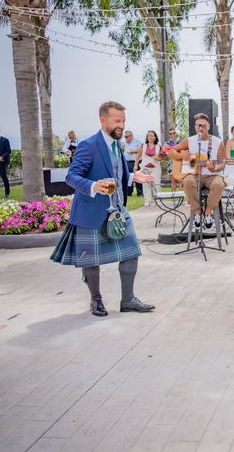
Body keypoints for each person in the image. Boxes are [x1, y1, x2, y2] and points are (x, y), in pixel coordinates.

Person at [50, 101, 155, 317]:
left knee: (131, 252)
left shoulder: (117, 144)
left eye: (123, 121)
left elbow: (117, 171)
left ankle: (128, 300)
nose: (121, 125)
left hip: (116, 210)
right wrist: (92, 186)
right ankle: (95, 300)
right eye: (117, 121)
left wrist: (134, 176)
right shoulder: (88, 145)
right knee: (91, 261)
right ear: (103, 120)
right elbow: (72, 176)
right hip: (92, 212)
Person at [168, 113, 227, 230]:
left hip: (212, 175)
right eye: (198, 126)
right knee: (187, 182)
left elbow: (223, 162)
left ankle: (208, 213)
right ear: (195, 127)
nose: (201, 128)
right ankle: (197, 212)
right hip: (194, 175)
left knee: (219, 184)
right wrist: (181, 155)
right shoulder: (189, 141)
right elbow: (171, 152)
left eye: (203, 126)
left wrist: (214, 168)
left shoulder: (217, 142)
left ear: (208, 126)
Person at [134, 130, 162, 207]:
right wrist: (135, 165)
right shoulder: (143, 145)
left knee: (156, 183)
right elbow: (138, 156)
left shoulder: (158, 146)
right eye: (148, 135)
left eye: (151, 135)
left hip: (155, 168)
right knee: (146, 184)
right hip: (145, 168)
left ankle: (158, 200)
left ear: (155, 137)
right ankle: (147, 201)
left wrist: (159, 158)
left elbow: (162, 157)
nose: (150, 137)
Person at [122, 130, 142, 197]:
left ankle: (140, 192)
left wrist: (133, 151)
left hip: (135, 162)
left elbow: (140, 151)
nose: (125, 138)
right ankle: (129, 192)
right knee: (129, 177)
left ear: (131, 136)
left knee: (137, 177)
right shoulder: (124, 143)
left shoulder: (137, 142)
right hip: (127, 162)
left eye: (127, 136)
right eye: (125, 137)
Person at [0, 125, 11, 198]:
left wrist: (2, 157)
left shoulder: (5, 140)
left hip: (1, 163)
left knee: (4, 178)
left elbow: (8, 151)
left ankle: (7, 193)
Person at [164, 128, 181, 192]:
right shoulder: (166, 143)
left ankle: (181, 197)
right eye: (170, 134)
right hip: (171, 164)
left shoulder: (180, 142)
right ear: (169, 135)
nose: (172, 135)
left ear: (176, 134)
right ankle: (174, 198)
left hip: (180, 163)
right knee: (173, 181)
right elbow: (166, 154)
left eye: (174, 133)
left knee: (180, 181)